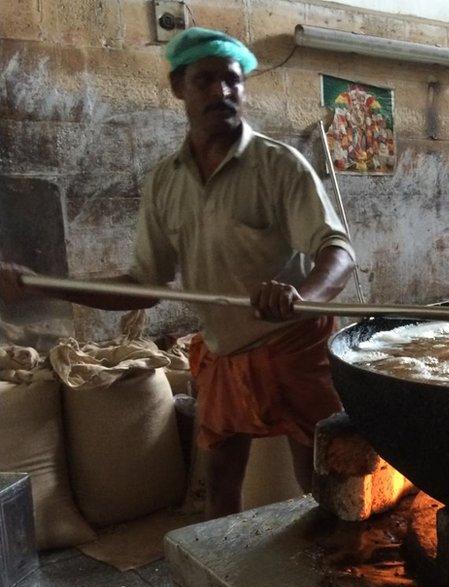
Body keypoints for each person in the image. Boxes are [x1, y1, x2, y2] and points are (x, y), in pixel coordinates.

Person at [1, 30, 354, 539]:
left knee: (321, 490)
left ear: (244, 90)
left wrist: (304, 296)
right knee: (219, 496)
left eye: (232, 80)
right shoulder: (166, 182)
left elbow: (336, 250)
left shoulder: (280, 166)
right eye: (205, 80)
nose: (221, 92)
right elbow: (143, 288)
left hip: (294, 346)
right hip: (222, 355)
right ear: (177, 88)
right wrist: (44, 286)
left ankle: (329, 582)